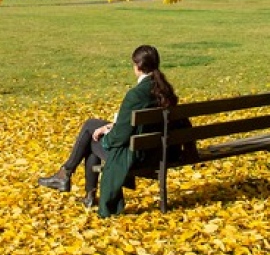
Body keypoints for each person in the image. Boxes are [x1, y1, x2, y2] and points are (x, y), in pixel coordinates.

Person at [37, 44, 179, 217]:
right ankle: (77, 185)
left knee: (91, 137)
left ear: (137, 66)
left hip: (137, 154)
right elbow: (140, 122)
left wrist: (105, 137)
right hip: (156, 147)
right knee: (92, 126)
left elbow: (120, 136)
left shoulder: (136, 94)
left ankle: (67, 175)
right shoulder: (164, 89)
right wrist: (109, 126)